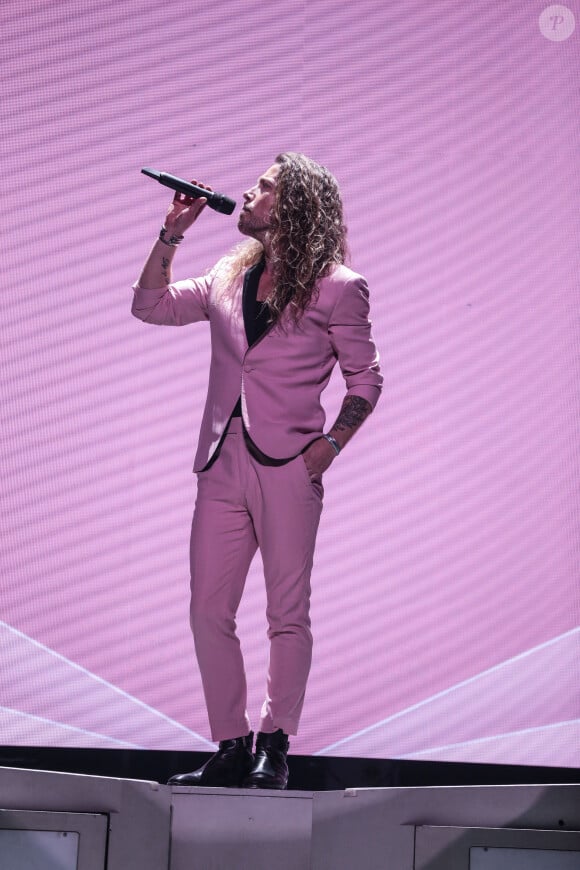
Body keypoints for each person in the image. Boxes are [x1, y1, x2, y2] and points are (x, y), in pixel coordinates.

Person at [132, 152, 382, 789]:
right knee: (207, 608)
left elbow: (366, 380)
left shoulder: (339, 286)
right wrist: (172, 233)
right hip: (221, 459)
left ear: (294, 204)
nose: (246, 193)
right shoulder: (226, 273)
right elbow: (151, 305)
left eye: (264, 186)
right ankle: (231, 744)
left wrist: (326, 449)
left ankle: (275, 742)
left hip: (288, 465)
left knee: (286, 613)